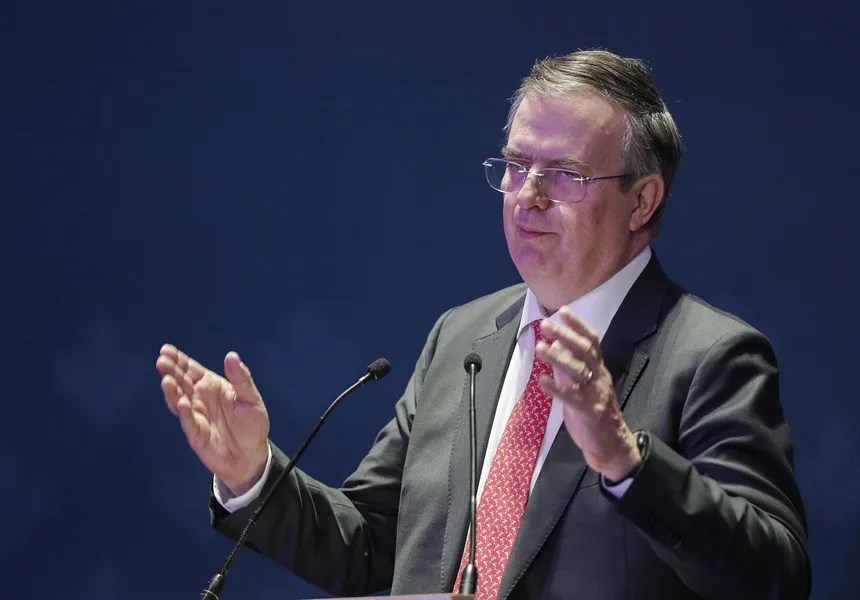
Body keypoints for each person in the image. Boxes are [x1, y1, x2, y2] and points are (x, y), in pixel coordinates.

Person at [156, 49, 810, 599]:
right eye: (517, 166)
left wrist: (623, 459)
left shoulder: (711, 356)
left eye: (565, 174)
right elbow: (375, 548)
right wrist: (252, 476)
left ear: (642, 199)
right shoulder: (462, 338)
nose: (529, 194)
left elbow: (774, 577)